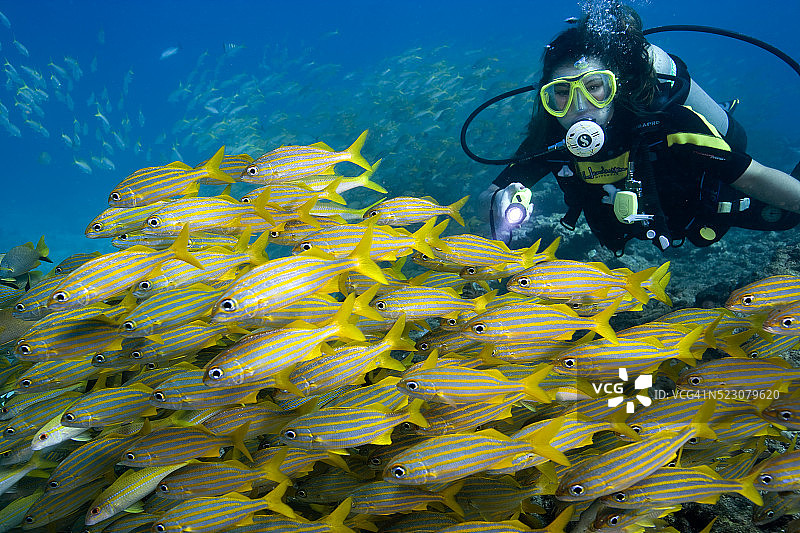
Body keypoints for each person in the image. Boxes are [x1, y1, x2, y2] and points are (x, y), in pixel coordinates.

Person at [482, 6, 800, 255]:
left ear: (617, 88)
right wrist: (502, 202)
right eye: (562, 93)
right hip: (633, 230)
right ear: (547, 96)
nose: (579, 107)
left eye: (595, 87)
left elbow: (753, 177)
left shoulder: (669, 127)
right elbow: (494, 192)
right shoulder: (552, 140)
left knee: (788, 218)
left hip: (704, 211)